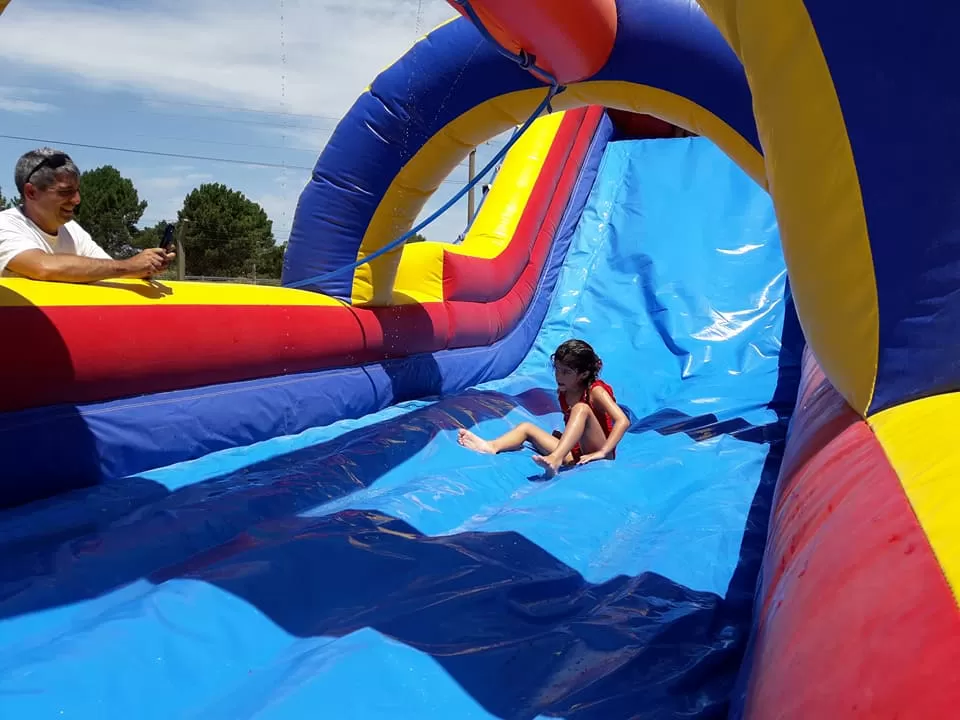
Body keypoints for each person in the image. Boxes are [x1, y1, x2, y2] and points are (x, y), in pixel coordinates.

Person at [458, 339, 630, 478]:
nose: (558, 376)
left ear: (584, 374)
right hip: (575, 454)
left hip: (600, 455)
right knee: (526, 428)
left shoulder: (595, 391)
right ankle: (491, 446)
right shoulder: (565, 391)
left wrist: (603, 451)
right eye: (557, 370)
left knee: (581, 409)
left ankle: (555, 459)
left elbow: (623, 421)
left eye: (566, 372)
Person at [0, 147, 174, 282]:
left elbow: (109, 270)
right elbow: (43, 267)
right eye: (66, 192)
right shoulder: (5, 225)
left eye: (77, 191)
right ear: (31, 192)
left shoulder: (72, 230)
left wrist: (145, 267)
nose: (77, 200)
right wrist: (130, 265)